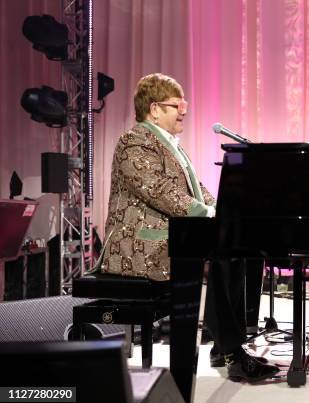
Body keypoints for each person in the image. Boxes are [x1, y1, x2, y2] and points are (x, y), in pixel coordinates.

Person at [101, 73, 278, 382]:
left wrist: (223, 210)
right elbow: (159, 191)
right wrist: (209, 213)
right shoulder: (135, 141)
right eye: (177, 104)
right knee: (221, 252)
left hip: (172, 236)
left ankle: (227, 342)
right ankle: (232, 350)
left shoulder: (172, 146)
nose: (184, 110)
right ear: (154, 109)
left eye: (185, 103)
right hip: (141, 246)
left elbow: (196, 191)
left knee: (241, 246)